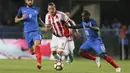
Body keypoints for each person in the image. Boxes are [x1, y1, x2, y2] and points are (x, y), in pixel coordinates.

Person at [15, 0, 44, 69]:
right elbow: (16, 20)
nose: (30, 1)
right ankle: (34, 52)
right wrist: (22, 18)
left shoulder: (37, 9)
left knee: (37, 44)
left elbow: (39, 19)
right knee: (31, 51)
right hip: (27, 32)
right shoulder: (22, 9)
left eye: (31, 0)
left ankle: (39, 63)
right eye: (28, 0)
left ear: (33, 1)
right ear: (26, 1)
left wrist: (45, 25)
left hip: (36, 31)